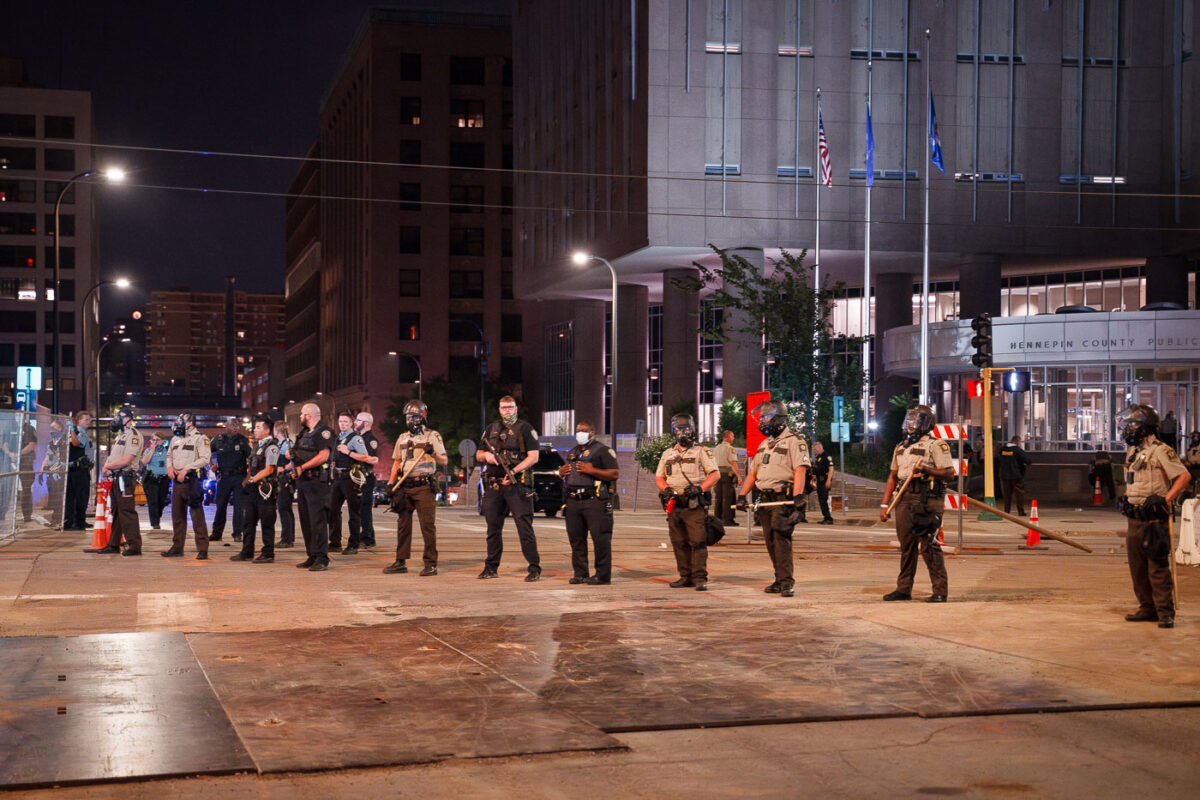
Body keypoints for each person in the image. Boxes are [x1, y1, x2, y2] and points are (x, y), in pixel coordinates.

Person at [1118, 405, 1190, 629]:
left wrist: (1166, 499)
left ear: (1147, 427)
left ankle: (1164, 612)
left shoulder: (1161, 450)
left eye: (1134, 424)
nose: (1129, 428)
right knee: (1137, 566)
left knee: (1156, 566)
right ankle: (1146, 608)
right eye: (1128, 424)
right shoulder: (1132, 452)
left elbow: (1183, 476)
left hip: (1154, 517)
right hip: (1134, 516)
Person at [879, 405, 955, 603]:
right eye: (909, 419)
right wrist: (885, 505)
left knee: (929, 545)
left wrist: (928, 469)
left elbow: (949, 473)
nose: (911, 424)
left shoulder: (936, 445)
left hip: (927, 499)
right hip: (904, 498)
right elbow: (893, 476)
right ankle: (903, 589)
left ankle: (940, 590)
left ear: (926, 423)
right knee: (907, 546)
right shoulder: (901, 447)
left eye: (916, 420)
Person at [736, 401, 810, 597]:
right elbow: (753, 473)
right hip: (765, 499)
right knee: (769, 541)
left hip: (782, 497)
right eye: (761, 418)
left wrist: (799, 498)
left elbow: (800, 470)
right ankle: (778, 579)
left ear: (779, 419)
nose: (762, 422)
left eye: (766, 418)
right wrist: (743, 494)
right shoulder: (764, 444)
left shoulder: (795, 441)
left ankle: (787, 582)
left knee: (781, 539)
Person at [476, 396, 542, 581]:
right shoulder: (491, 428)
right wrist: (487, 456)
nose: (507, 411)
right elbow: (478, 453)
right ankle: (491, 567)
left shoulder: (525, 429)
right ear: (499, 409)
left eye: (510, 407)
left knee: (524, 528)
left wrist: (513, 470)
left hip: (517, 485)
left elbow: (534, 457)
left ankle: (534, 568)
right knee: (493, 529)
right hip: (494, 485)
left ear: (516, 409)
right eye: (504, 408)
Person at [656, 413, 720, 591]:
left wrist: (700, 488)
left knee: (697, 540)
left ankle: (700, 577)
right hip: (674, 503)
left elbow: (715, 474)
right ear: (673, 431)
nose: (683, 433)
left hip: (693, 503)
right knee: (678, 541)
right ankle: (685, 576)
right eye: (679, 430)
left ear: (692, 430)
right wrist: (665, 489)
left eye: (686, 429)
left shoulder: (701, 451)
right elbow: (659, 477)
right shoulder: (667, 453)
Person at [384, 400, 446, 576]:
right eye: (409, 416)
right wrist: (390, 483)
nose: (412, 420)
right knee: (403, 525)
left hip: (424, 486)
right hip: (405, 486)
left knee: (427, 526)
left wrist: (432, 452)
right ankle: (400, 561)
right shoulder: (402, 438)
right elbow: (397, 462)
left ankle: (430, 563)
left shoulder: (432, 436)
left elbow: (444, 460)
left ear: (423, 417)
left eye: (416, 416)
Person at [559, 420, 620, 585]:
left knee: (600, 539)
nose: (580, 432)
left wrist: (592, 470)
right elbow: (569, 472)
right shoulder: (573, 451)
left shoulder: (603, 451)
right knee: (576, 539)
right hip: (573, 501)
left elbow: (614, 473)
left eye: (584, 430)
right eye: (578, 430)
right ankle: (580, 573)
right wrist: (561, 472)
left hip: (595, 501)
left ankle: (602, 575)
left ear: (592, 432)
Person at [85, 407, 143, 556]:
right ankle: (113, 544)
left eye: (120, 416)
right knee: (116, 512)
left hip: (126, 478)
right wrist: (109, 468)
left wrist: (107, 466)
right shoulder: (121, 436)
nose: (117, 419)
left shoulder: (134, 436)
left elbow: (127, 459)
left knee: (127, 512)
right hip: (116, 477)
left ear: (128, 419)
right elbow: (116, 457)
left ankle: (135, 545)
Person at [291, 402, 336, 571]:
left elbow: (324, 456)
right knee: (306, 521)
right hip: (304, 483)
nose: (301, 417)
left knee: (318, 521)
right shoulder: (304, 433)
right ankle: (311, 554)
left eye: (302, 414)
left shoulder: (323, 432)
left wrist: (302, 468)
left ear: (309, 415)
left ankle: (321, 558)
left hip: (317, 483)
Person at [231, 414, 280, 564]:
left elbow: (269, 469)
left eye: (258, 427)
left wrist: (253, 480)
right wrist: (247, 481)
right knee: (248, 521)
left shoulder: (272, 447)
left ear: (267, 430)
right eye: (255, 427)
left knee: (266, 522)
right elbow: (251, 467)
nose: (255, 430)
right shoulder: (257, 446)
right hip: (252, 489)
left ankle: (268, 553)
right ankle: (247, 552)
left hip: (265, 489)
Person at [162, 413, 211, 558]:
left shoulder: (200, 438)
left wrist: (186, 468)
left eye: (181, 421)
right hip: (177, 480)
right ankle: (177, 547)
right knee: (177, 515)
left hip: (192, 480)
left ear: (190, 423)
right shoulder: (175, 438)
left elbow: (205, 459)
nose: (177, 423)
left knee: (197, 515)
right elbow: (169, 455)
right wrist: (169, 467)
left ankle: (202, 548)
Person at [329, 409, 370, 554]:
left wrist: (349, 452)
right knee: (332, 510)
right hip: (338, 477)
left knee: (354, 512)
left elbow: (365, 457)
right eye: (340, 421)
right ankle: (335, 542)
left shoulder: (355, 439)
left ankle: (353, 544)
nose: (342, 424)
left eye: (345, 421)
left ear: (352, 423)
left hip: (350, 477)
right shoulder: (337, 438)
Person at [209, 417, 252, 542]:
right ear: (226, 426)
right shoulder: (218, 440)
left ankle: (237, 533)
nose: (236, 427)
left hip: (239, 477)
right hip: (224, 477)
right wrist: (212, 465)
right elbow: (206, 453)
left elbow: (252, 458)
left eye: (237, 426)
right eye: (233, 425)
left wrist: (248, 477)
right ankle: (217, 533)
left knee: (239, 507)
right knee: (220, 505)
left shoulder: (243, 440)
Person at [352, 411, 382, 548]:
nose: (355, 422)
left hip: (367, 477)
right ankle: (366, 536)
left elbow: (369, 458)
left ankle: (368, 538)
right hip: (360, 477)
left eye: (358, 420)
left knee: (364, 509)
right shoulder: (359, 437)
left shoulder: (370, 440)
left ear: (365, 423)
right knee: (360, 508)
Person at [63, 411, 94, 530]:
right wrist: (71, 429)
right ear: (78, 421)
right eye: (85, 419)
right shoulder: (77, 432)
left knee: (79, 497)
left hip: (80, 469)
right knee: (78, 497)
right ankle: (76, 523)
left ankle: (79, 520)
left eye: (89, 419)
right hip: (77, 470)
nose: (88, 422)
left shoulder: (83, 433)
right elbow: (76, 444)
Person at [140, 429, 172, 529]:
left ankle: (157, 515)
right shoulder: (148, 450)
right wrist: (152, 449)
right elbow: (144, 461)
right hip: (151, 479)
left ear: (162, 440)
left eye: (157, 440)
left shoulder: (167, 451)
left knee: (161, 501)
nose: (155, 442)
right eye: (153, 440)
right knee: (152, 501)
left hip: (164, 479)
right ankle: (155, 523)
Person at [273, 421, 296, 548]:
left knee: (284, 508)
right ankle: (289, 536)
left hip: (286, 479)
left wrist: (283, 468)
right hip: (283, 478)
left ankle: (286, 539)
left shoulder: (287, 445)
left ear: (277, 431)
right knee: (285, 508)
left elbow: (293, 461)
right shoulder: (282, 444)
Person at [998, 435, 1033, 516]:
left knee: (1007, 494)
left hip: (1004, 475)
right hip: (1016, 475)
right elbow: (1028, 460)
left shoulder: (1003, 449)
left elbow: (999, 458)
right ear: (1017, 442)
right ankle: (1020, 511)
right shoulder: (1017, 450)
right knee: (1019, 494)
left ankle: (1006, 511)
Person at [711, 430, 740, 525]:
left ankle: (717, 519)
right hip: (727, 475)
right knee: (728, 498)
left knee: (718, 498)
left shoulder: (716, 448)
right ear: (727, 437)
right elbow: (733, 463)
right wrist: (739, 476)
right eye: (732, 436)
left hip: (717, 475)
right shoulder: (730, 448)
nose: (734, 438)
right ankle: (727, 520)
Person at [17, 414, 37, 523]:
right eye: (15, 415)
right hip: (12, 462)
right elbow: (4, 444)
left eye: (19, 416)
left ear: (24, 417)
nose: (17, 417)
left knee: (26, 490)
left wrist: (18, 454)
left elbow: (31, 445)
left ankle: (27, 515)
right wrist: (10, 454)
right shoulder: (11, 427)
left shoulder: (29, 429)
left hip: (26, 463)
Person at [812, 440, 835, 524]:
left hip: (824, 480)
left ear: (819, 448)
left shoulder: (826, 456)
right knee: (821, 500)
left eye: (814, 449)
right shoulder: (818, 457)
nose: (814, 451)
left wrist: (828, 480)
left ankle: (828, 518)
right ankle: (826, 517)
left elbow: (831, 468)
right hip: (819, 481)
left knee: (823, 500)